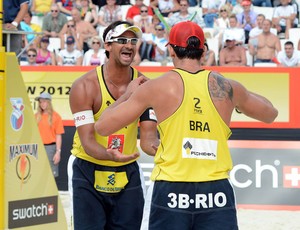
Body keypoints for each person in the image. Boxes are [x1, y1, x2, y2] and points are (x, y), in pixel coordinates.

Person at [94, 21, 278, 229]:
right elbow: (270, 113)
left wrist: (127, 95)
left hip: (170, 189)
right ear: (204, 50)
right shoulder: (226, 87)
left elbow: (102, 126)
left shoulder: (157, 87)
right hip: (216, 193)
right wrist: (238, 100)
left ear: (171, 50)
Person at [69, 20, 159, 229]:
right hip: (87, 167)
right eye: (122, 40)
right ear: (107, 45)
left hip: (126, 168)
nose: (129, 45)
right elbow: (88, 140)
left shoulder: (146, 84)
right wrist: (109, 155)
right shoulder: (84, 86)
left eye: (133, 40)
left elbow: (148, 139)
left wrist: (171, 150)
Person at [35, 92, 65, 178]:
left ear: (49, 102)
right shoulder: (36, 116)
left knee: (51, 175)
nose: (42, 104)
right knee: (38, 174)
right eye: (40, 102)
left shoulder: (56, 117)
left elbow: (58, 135)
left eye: (44, 101)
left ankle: (50, 192)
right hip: (38, 148)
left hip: (51, 149)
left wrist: (58, 152)